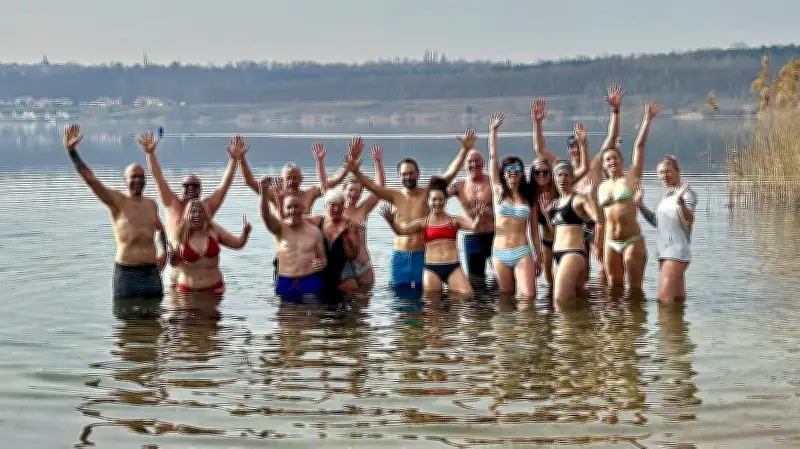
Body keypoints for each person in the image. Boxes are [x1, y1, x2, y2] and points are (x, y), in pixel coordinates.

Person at [345, 131, 473, 289]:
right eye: (404, 174)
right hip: (400, 255)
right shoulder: (394, 196)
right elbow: (372, 186)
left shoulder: (428, 194)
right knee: (399, 295)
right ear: (398, 176)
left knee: (421, 294)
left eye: (411, 173)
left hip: (422, 254)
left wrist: (464, 150)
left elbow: (450, 173)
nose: (408, 177)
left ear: (418, 174)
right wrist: (355, 171)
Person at [63, 124, 167, 300]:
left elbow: (160, 229)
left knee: (155, 315)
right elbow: (91, 179)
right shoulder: (116, 201)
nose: (138, 180)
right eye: (133, 177)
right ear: (125, 180)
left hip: (151, 272)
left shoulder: (151, 204)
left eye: (141, 177)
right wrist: (72, 152)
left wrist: (164, 252)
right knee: (125, 316)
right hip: (127, 274)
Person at [532, 86, 624, 276]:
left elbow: (612, 138)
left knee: (604, 267)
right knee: (582, 269)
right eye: (571, 146)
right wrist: (538, 123)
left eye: (578, 144)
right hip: (574, 225)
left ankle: (604, 294)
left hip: (596, 222)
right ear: (568, 150)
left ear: (585, 144)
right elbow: (540, 149)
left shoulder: (595, 164)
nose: (575, 149)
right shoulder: (562, 169)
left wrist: (615, 111)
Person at [381, 176, 489, 296]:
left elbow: (474, 227)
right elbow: (401, 231)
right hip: (431, 268)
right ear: (428, 201)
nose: (437, 203)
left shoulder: (455, 221)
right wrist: (392, 222)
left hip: (453, 266)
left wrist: (479, 217)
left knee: (467, 295)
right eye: (434, 199)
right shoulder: (422, 223)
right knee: (432, 304)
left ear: (445, 201)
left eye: (441, 199)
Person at [599, 102, 660, 290]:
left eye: (615, 158)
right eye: (608, 159)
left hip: (632, 240)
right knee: (613, 288)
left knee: (634, 290)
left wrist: (647, 119)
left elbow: (639, 146)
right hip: (610, 242)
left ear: (622, 160)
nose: (612, 161)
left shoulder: (631, 177)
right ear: (603, 165)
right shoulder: (601, 186)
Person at [486, 113, 542, 298]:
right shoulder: (497, 191)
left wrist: (539, 256)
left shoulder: (529, 198)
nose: (513, 172)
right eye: (509, 169)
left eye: (517, 168)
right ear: (503, 173)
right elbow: (493, 157)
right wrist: (493, 131)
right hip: (500, 252)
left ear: (522, 173)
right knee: (506, 299)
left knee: (528, 297)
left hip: (522, 251)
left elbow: (534, 232)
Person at [635, 156, 697, 302]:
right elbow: (657, 222)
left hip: (676, 253)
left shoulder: (687, 193)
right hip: (664, 253)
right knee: (677, 301)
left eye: (668, 171)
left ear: (678, 171)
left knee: (664, 302)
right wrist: (640, 205)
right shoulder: (667, 195)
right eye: (661, 172)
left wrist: (680, 202)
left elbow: (688, 219)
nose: (664, 175)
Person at [542, 160, 605, 303]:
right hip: (557, 255)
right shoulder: (555, 203)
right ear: (554, 178)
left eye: (566, 175)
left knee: (559, 300)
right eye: (559, 175)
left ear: (572, 178)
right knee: (577, 299)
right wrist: (546, 215)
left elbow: (599, 220)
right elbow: (553, 232)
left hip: (573, 253)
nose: (562, 179)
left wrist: (591, 197)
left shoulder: (579, 199)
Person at [259, 177, 327, 300]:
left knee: (313, 312)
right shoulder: (279, 228)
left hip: (310, 280)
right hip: (286, 282)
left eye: (296, 207)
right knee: (287, 312)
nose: (292, 211)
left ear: (303, 208)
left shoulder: (315, 231)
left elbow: (323, 259)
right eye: (289, 207)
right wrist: (263, 192)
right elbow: (266, 216)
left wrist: (321, 263)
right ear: (284, 209)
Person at [240, 141, 349, 215]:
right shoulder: (274, 194)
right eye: (288, 178)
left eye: (294, 178)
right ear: (282, 180)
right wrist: (242, 159)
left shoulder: (309, 194)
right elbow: (249, 181)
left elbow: (336, 180)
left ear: (301, 179)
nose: (291, 181)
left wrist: (349, 163)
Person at [168, 199, 252, 294]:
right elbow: (174, 263)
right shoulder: (180, 233)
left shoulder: (214, 229)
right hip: (187, 291)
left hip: (214, 289)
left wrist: (245, 233)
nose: (197, 215)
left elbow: (237, 244)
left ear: (205, 215)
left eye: (201, 212)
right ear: (187, 215)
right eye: (193, 212)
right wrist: (172, 257)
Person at [339, 141, 385, 286]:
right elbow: (324, 186)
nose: (354, 194)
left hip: (363, 262)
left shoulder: (363, 209)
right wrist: (351, 158)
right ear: (344, 190)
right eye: (351, 190)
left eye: (358, 191)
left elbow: (380, 189)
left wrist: (378, 162)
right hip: (343, 263)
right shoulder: (336, 210)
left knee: (366, 296)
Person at [448, 148, 495, 280]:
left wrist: (488, 212)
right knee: (475, 280)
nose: (474, 164)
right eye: (470, 161)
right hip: (472, 237)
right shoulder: (459, 185)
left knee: (502, 279)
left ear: (483, 163)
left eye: (477, 161)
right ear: (464, 165)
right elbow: (437, 196)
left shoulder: (492, 182)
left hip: (494, 235)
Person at [306, 190, 360, 294]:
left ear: (344, 206)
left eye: (340, 205)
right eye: (333, 205)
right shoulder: (317, 220)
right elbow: (291, 220)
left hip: (343, 278)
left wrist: (345, 236)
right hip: (320, 275)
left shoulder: (350, 224)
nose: (336, 208)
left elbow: (352, 255)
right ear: (326, 206)